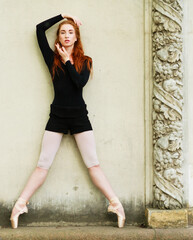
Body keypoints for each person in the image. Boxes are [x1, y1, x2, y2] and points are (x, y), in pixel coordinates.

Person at [10, 13, 126, 228]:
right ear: (59, 37)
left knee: (93, 163)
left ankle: (116, 204)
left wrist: (68, 62)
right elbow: (38, 29)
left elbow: (79, 84)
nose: (66, 35)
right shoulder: (51, 57)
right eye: (63, 32)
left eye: (70, 32)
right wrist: (63, 16)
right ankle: (19, 205)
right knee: (43, 164)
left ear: (76, 37)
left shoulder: (86, 61)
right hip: (57, 116)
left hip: (79, 116)